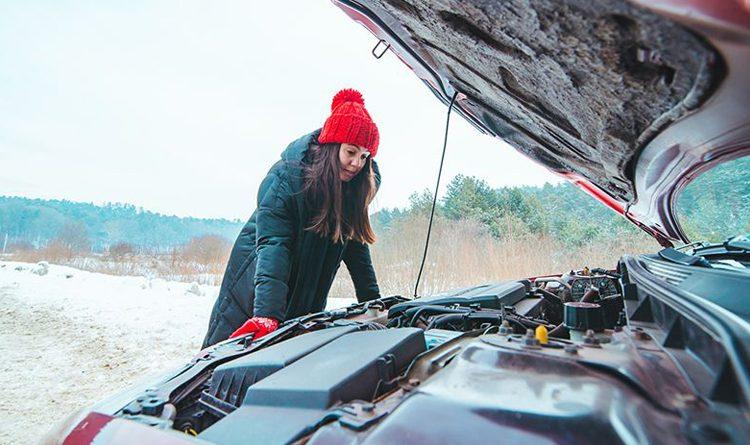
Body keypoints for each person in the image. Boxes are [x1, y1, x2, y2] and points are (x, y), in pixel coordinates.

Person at [202, 89, 382, 348]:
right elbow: (274, 245)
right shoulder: (288, 179)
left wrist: (373, 302)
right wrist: (266, 314)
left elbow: (355, 248)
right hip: (256, 289)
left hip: (307, 291)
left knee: (287, 359)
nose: (356, 163)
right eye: (351, 152)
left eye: (365, 156)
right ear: (333, 146)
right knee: (226, 363)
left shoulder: (352, 190)